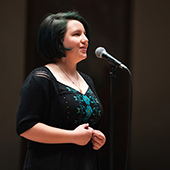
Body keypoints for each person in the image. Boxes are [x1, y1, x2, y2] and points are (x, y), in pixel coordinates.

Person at [16, 11, 106, 170]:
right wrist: (72, 137)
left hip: (86, 163)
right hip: (50, 163)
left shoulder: (87, 80)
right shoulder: (41, 78)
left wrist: (95, 137)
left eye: (85, 34)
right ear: (58, 43)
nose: (85, 40)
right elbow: (26, 127)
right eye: (77, 34)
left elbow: (84, 125)